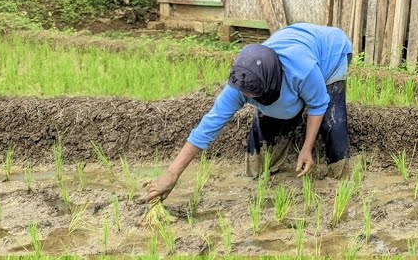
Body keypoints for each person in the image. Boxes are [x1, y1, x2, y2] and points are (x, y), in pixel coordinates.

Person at [139, 23, 353, 203]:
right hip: (292, 47)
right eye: (248, 96)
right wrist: (172, 174)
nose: (248, 98)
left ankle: (339, 175)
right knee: (271, 118)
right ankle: (262, 170)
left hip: (332, 52)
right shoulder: (243, 82)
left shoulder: (302, 70)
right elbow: (207, 127)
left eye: (254, 95)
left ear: (272, 83)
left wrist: (307, 148)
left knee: (332, 123)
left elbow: (318, 105)